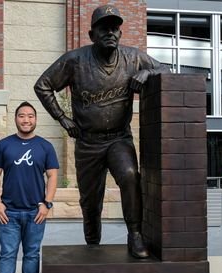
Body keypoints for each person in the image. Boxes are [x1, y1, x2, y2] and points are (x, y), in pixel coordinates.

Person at [34, 4, 169, 258]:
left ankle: (135, 235)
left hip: (119, 138)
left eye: (115, 28)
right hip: (87, 142)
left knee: (130, 175)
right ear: (91, 34)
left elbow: (165, 69)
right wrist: (63, 119)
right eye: (104, 28)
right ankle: (93, 244)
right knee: (90, 201)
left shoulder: (132, 57)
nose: (110, 33)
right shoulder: (75, 60)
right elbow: (42, 85)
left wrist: (148, 73)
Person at [0, 101, 59, 273]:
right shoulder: (4, 145)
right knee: (8, 253)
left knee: (32, 254)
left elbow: (53, 175)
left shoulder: (45, 146)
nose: (26, 119)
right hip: (8, 212)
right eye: (21, 115)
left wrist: (47, 204)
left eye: (30, 116)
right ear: (16, 119)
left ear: (35, 119)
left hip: (35, 212)